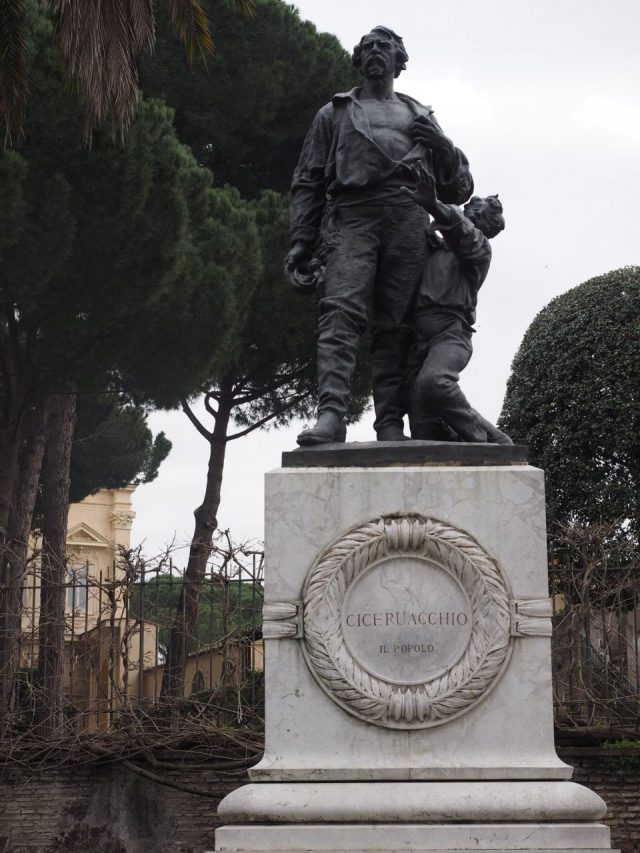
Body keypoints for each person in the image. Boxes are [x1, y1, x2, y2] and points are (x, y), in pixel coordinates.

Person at [285, 26, 474, 445]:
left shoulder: (421, 116)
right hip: (353, 216)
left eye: (383, 47)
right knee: (340, 312)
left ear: (398, 61)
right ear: (359, 59)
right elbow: (308, 180)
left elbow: (460, 190)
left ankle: (390, 423)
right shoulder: (334, 113)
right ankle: (331, 415)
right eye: (367, 47)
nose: (374, 53)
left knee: (397, 326)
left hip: (409, 218)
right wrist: (301, 241)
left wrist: (442, 147)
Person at [402, 165, 512, 444]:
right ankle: (494, 438)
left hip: (451, 334)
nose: (470, 212)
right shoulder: (435, 247)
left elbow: (463, 234)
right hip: (418, 339)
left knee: (434, 381)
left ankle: (483, 441)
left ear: (487, 226)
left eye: (478, 213)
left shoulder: (479, 249)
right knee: (424, 426)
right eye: (469, 208)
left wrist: (433, 204)